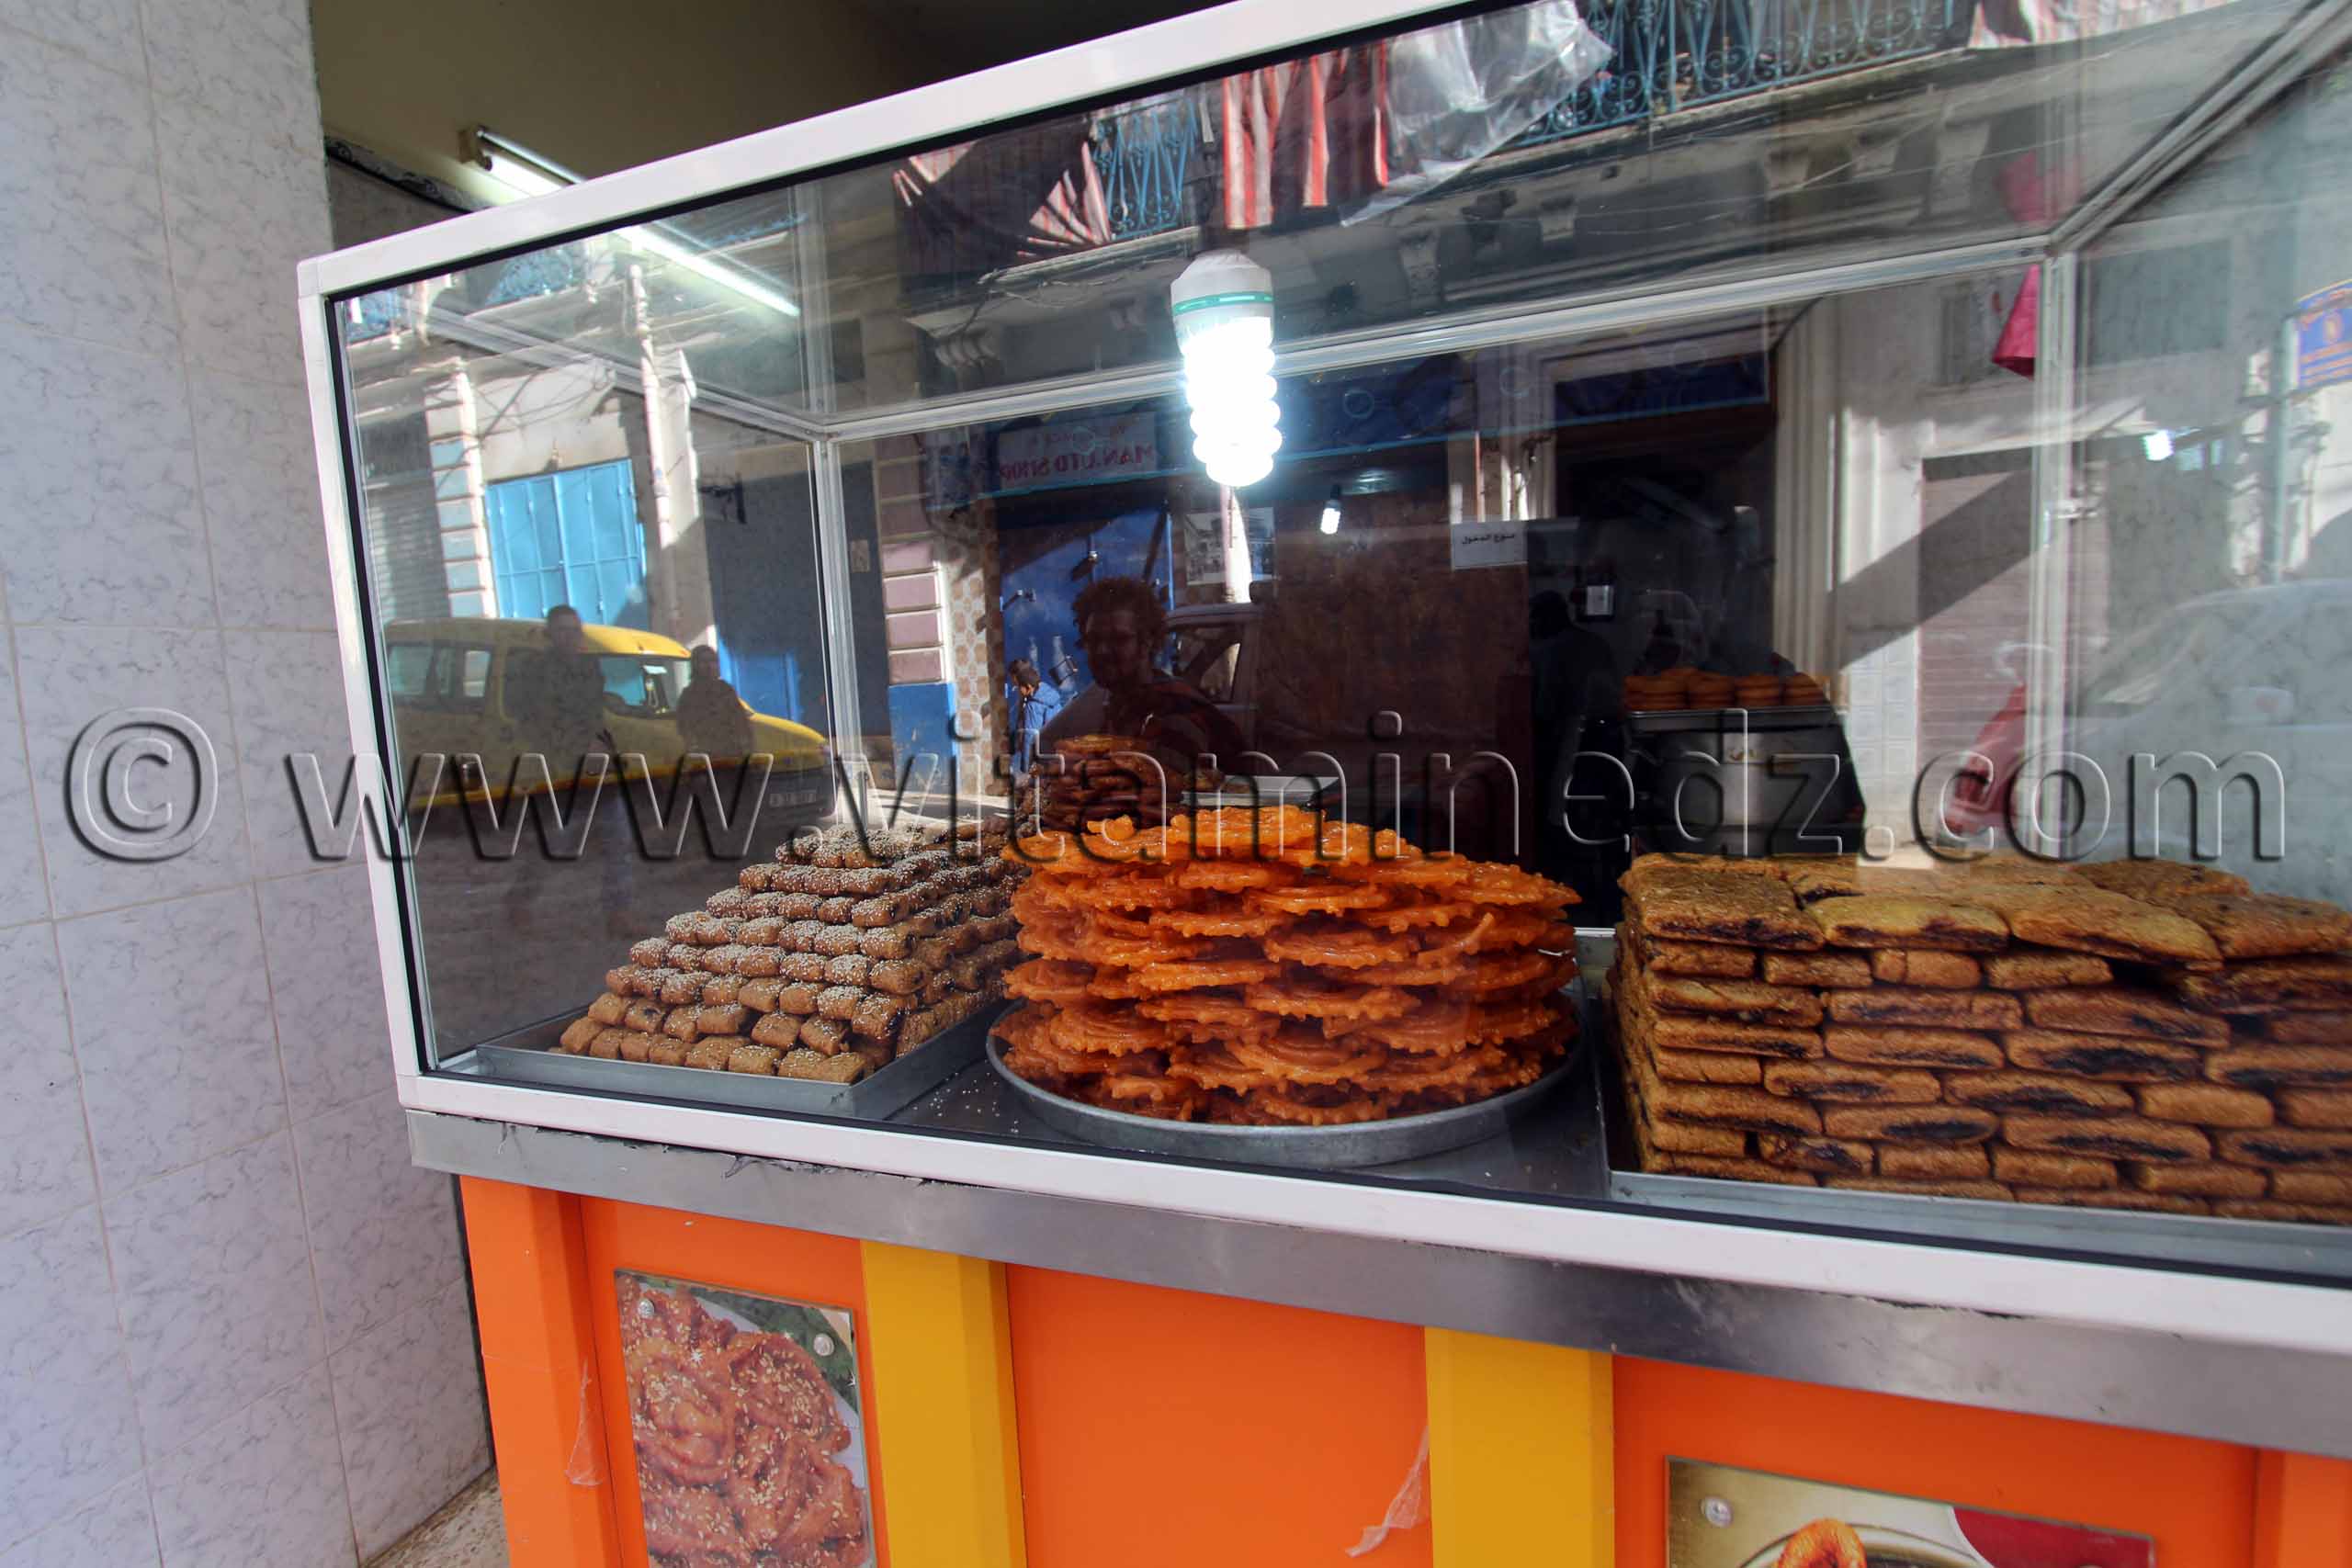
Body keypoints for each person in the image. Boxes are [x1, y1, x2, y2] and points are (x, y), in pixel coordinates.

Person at [1039, 575, 1247, 773]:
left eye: (1118, 639)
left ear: (1147, 642)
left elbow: (1161, 789)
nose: (1102, 650)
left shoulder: (1174, 712)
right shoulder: (1117, 703)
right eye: (1093, 640)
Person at [505, 604, 611, 776]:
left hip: (590, 755)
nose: (570, 637)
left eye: (575, 630)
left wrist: (599, 742)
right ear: (550, 634)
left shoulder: (589, 665)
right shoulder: (537, 669)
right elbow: (543, 716)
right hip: (551, 756)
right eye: (563, 630)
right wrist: (584, 745)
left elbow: (595, 710)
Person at [675, 646, 755, 762]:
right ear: (695, 665)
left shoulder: (725, 690)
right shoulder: (689, 695)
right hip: (706, 758)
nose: (709, 666)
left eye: (713, 661)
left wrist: (747, 749)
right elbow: (684, 728)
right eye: (704, 662)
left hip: (733, 754)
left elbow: (741, 721)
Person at [1007, 657, 1063, 777]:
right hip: (1057, 753)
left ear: (1027, 686)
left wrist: (1025, 768)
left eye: (1017, 686)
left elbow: (1030, 737)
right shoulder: (1048, 693)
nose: (1017, 690)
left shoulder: (1033, 705)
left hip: (1042, 758)